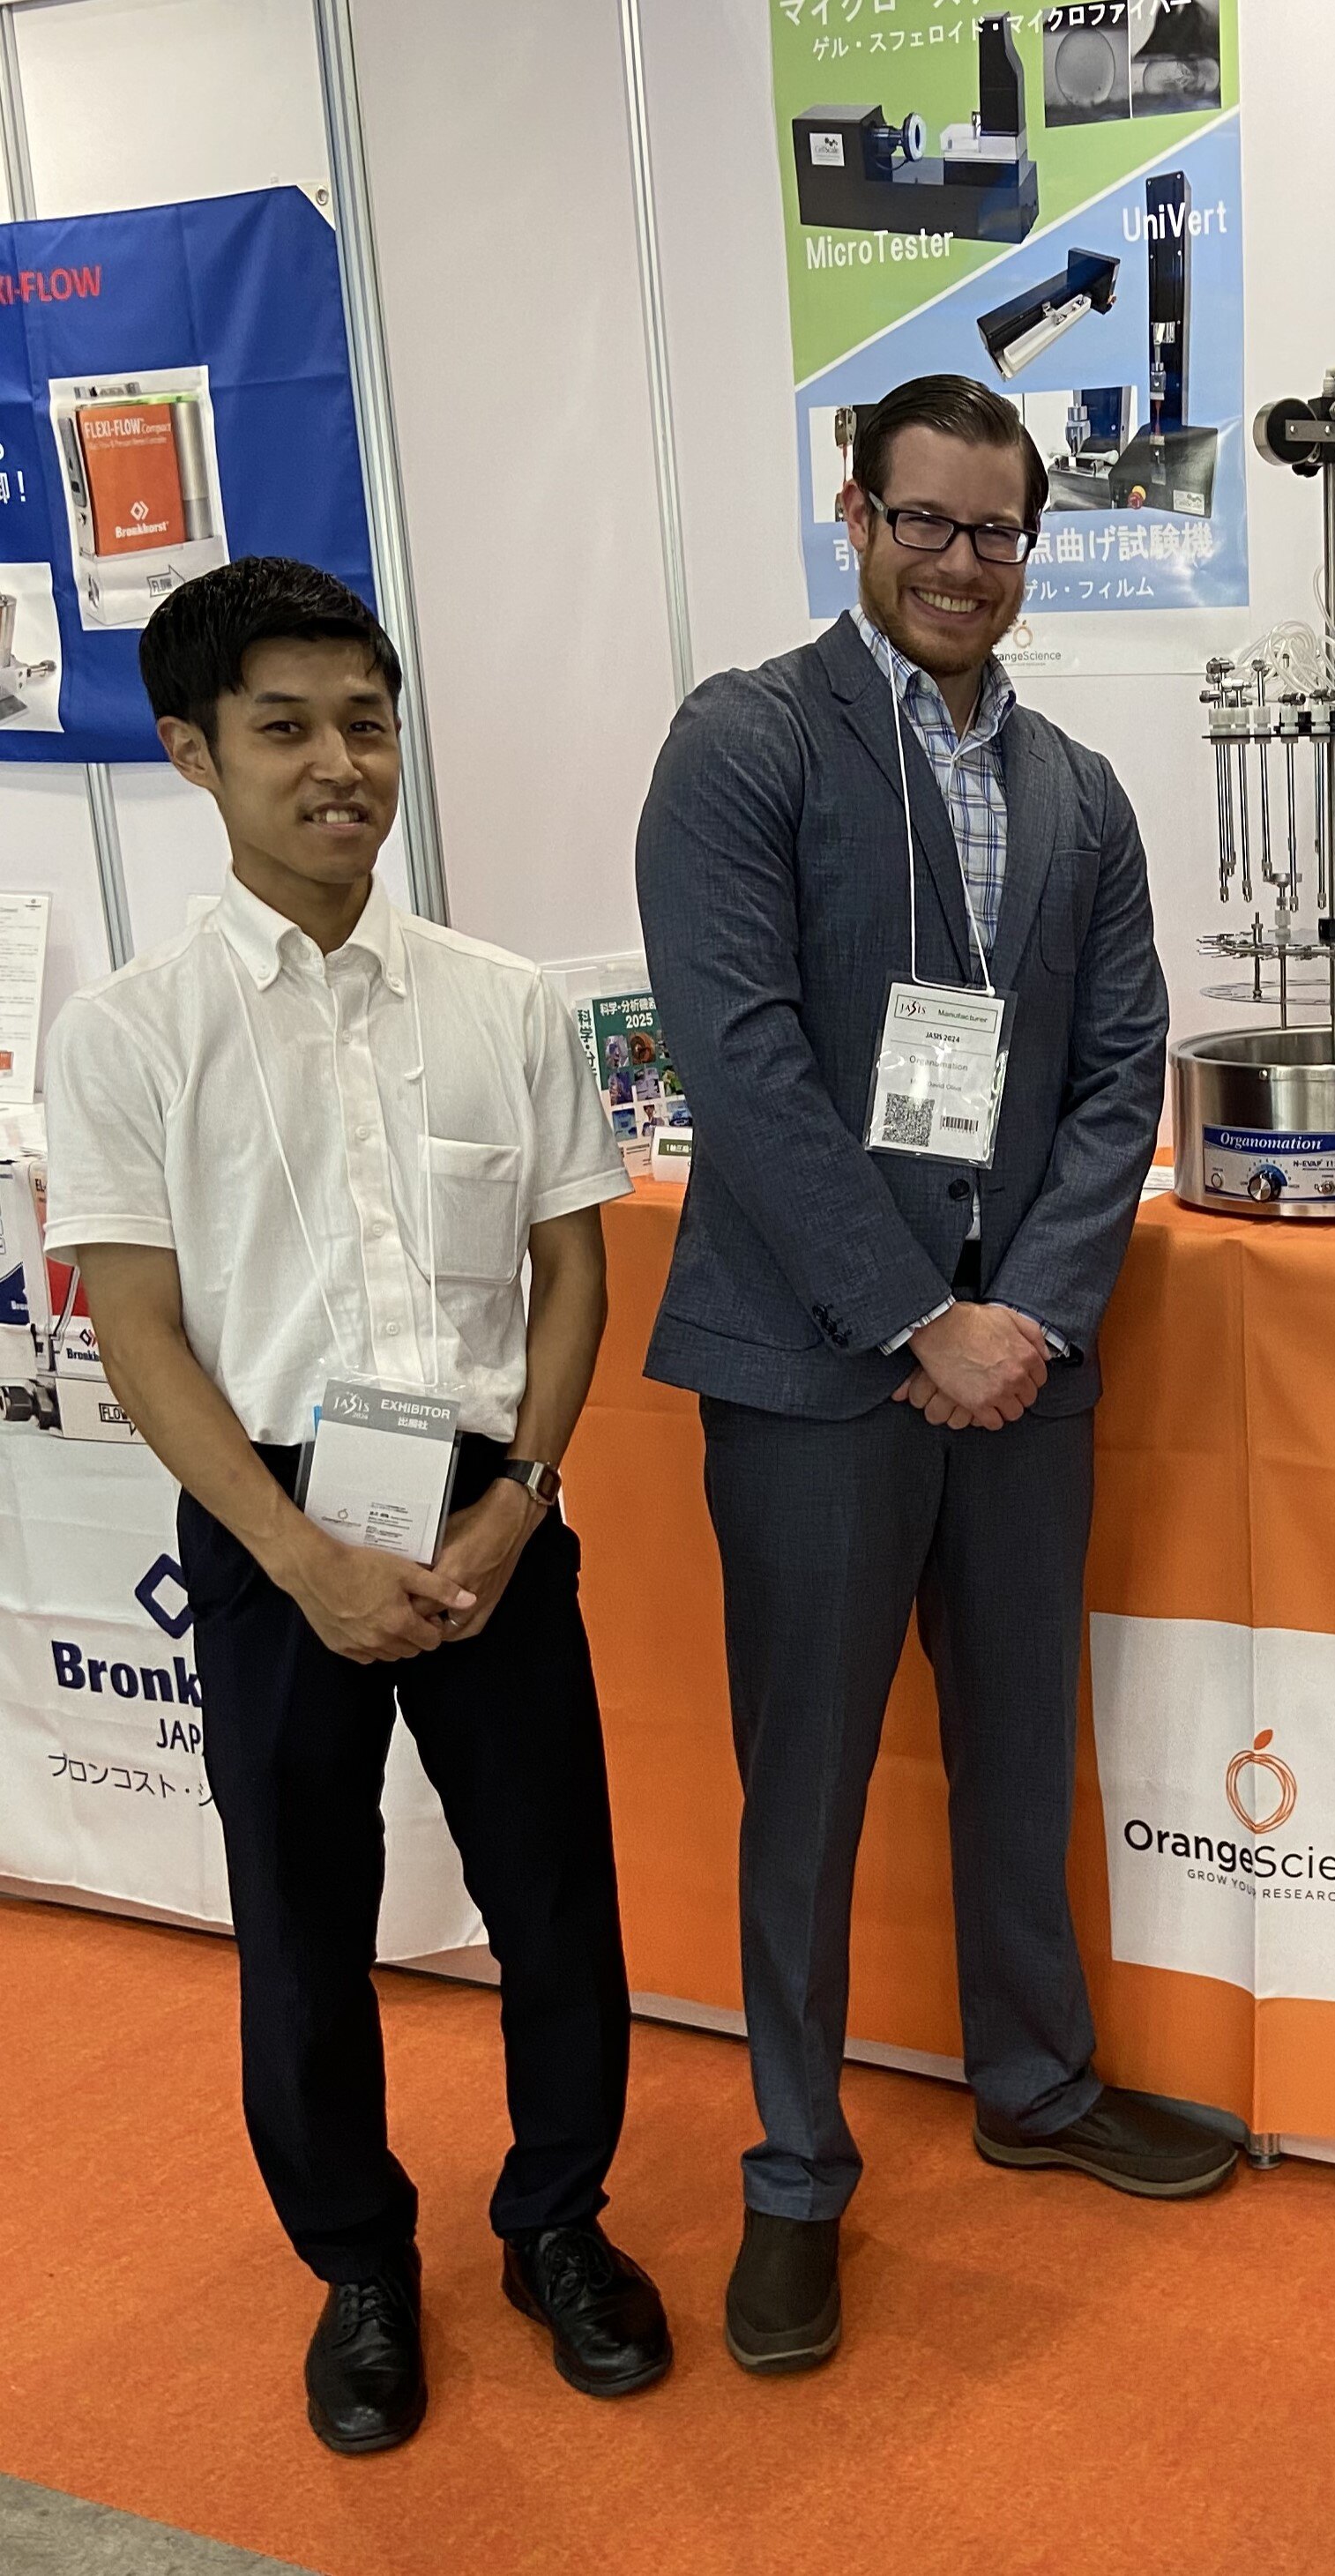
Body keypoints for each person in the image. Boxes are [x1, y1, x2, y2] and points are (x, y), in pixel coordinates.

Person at [635, 372, 1227, 2383]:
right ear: (854, 516)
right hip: (821, 1373)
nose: (965, 565)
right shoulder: (742, 747)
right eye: (927, 524)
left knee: (1020, 1748)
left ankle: (1037, 2083)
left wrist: (1029, 1318)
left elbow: (1111, 1072)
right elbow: (747, 1067)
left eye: (999, 533)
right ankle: (796, 2171)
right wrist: (918, 1319)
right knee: (800, 1791)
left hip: (1022, 1375)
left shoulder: (1075, 788)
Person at [49, 559, 668, 2455]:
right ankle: (359, 2269)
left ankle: (558, 2218)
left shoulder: (499, 1001)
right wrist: (296, 1552)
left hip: (493, 1508)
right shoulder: (133, 1034)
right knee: (303, 1917)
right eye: (287, 728)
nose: (341, 766)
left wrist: (527, 1498)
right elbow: (139, 1326)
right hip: (270, 1524)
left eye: (367, 721)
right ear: (192, 755)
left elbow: (574, 1274)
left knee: (556, 1898)